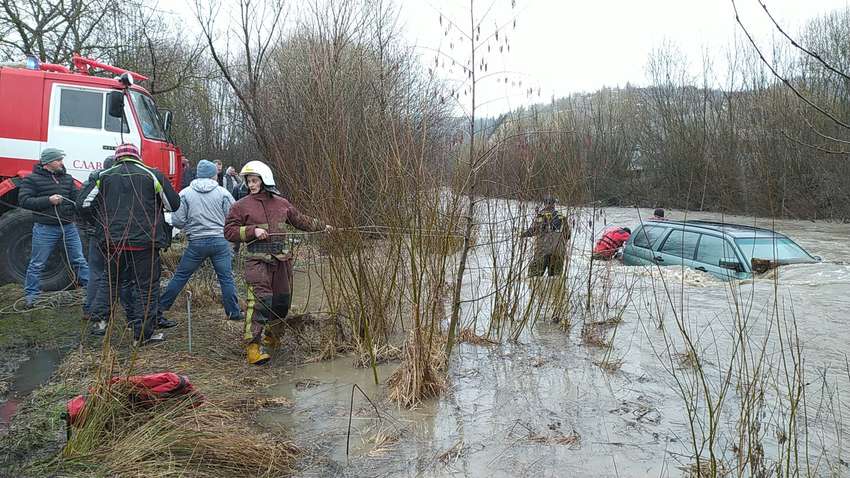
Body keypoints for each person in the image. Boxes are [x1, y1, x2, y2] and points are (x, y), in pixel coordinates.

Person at [224, 160, 332, 365]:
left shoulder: (282, 203)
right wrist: (252, 231)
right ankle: (253, 348)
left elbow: (301, 220)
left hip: (281, 261)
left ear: (265, 180)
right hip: (257, 261)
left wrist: (323, 226)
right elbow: (228, 231)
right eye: (248, 181)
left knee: (282, 302)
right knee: (260, 302)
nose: (251, 185)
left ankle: (272, 338)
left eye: (254, 181)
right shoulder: (240, 206)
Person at [79, 143, 180, 346]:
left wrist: (100, 224)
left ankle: (100, 323)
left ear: (117, 158)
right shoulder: (152, 174)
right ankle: (142, 335)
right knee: (146, 288)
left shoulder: (103, 176)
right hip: (145, 242)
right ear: (138, 157)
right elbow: (172, 204)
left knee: (110, 282)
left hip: (112, 241)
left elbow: (82, 204)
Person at [159, 160, 243, 322]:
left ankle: (160, 308)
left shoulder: (185, 193)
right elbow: (233, 218)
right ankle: (233, 313)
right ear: (214, 174)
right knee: (226, 278)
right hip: (220, 242)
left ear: (197, 174)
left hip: (196, 243)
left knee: (181, 276)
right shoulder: (223, 193)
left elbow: (177, 221)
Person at [18, 148, 89, 307]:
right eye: (59, 160)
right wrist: (48, 200)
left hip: (69, 227)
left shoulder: (68, 179)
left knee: (79, 260)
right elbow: (24, 201)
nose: (62, 163)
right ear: (48, 162)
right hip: (45, 228)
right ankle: (31, 296)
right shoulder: (32, 180)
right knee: (37, 263)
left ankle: (91, 291)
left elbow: (76, 200)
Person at [79, 155, 137, 330]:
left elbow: (81, 205)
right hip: (107, 235)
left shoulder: (91, 181)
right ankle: (129, 314)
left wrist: (93, 223)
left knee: (97, 274)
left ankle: (92, 310)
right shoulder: (111, 182)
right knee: (119, 276)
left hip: (97, 233)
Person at [520, 196, 571, 277]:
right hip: (558, 252)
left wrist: (522, 234)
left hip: (542, 251)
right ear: (554, 204)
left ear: (544, 204)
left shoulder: (540, 216)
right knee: (556, 280)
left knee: (534, 279)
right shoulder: (562, 217)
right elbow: (568, 235)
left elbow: (533, 230)